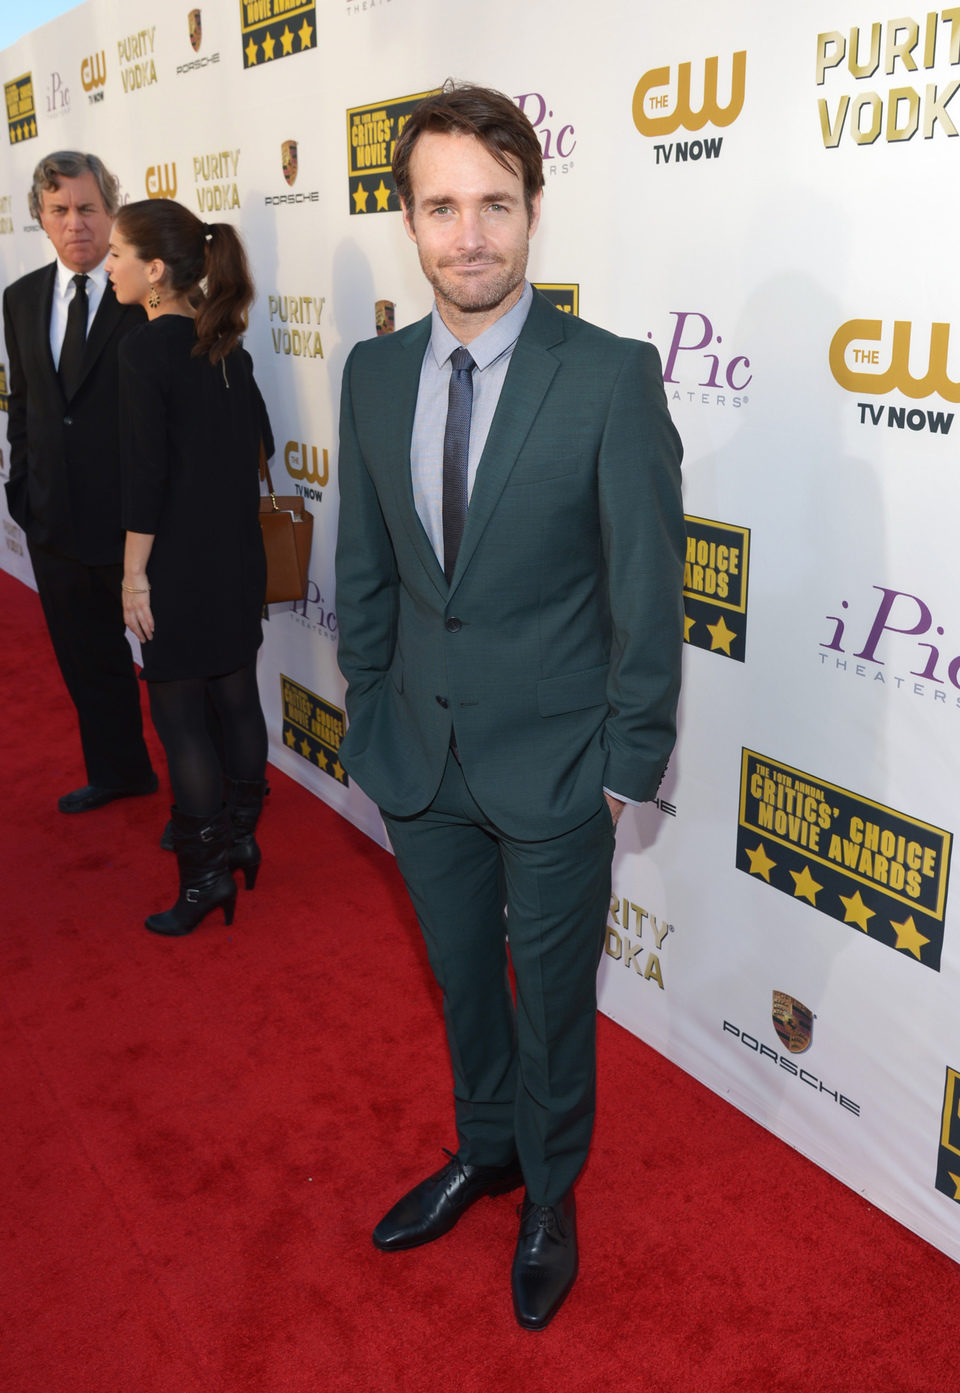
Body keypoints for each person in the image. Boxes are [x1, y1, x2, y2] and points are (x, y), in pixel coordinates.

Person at [334, 83, 685, 1330]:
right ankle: (485, 1150)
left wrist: (624, 760)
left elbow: (650, 585)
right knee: (460, 983)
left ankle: (550, 1187)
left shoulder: (606, 377)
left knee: (551, 1002)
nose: (468, 234)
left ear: (534, 210)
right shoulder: (373, 374)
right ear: (408, 220)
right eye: (441, 206)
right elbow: (365, 566)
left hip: (556, 767)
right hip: (416, 758)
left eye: (494, 203)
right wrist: (368, 715)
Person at [107, 200, 272, 936]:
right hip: (236, 559)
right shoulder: (226, 346)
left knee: (181, 723)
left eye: (116, 253)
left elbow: (144, 478)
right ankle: (239, 837)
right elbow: (260, 447)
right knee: (236, 700)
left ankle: (205, 882)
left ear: (153, 271)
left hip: (174, 563)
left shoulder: (144, 350)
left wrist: (132, 576)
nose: (107, 266)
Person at [3, 151, 157, 813]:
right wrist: (22, 492)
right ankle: (121, 771)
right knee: (87, 660)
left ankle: (208, 797)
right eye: (61, 210)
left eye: (88, 209)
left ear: (111, 212)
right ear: (40, 216)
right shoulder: (21, 298)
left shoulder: (150, 293)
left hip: (138, 525)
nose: (76, 224)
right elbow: (29, 406)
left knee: (178, 667)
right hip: (55, 521)